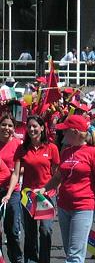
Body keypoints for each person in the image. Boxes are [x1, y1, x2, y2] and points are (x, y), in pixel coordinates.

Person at [41, 115, 95, 263]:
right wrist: (42, 190)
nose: (62, 134)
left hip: (83, 207)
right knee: (70, 252)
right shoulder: (66, 152)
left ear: (74, 132)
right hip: (64, 207)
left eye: (65, 130)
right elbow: (57, 178)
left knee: (75, 256)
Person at [2, 115, 60, 263]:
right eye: (29, 127)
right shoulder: (22, 149)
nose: (32, 129)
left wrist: (55, 192)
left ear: (42, 128)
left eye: (35, 126)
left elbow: (57, 174)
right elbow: (15, 174)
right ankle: (31, 260)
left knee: (45, 230)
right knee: (30, 232)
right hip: (28, 195)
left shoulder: (52, 148)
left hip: (46, 195)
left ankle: (44, 260)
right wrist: (9, 194)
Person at [0, 112, 23, 263]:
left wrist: (11, 172)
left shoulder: (17, 145)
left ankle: (16, 259)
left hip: (12, 191)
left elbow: (24, 168)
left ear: (14, 128)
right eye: (3, 124)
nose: (6, 128)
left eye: (10, 125)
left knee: (12, 231)